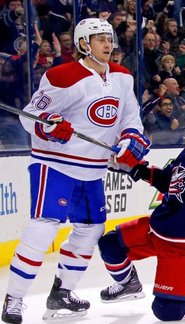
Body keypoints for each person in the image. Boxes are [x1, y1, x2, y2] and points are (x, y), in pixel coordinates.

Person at [1, 18, 150, 324]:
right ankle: (14, 298)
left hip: (93, 170)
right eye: (100, 39)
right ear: (84, 44)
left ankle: (62, 293)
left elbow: (131, 118)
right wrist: (51, 124)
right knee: (43, 229)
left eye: (109, 39)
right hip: (55, 165)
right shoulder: (63, 76)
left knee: (91, 230)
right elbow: (31, 116)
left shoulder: (122, 78)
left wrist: (131, 138)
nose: (108, 45)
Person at [97, 81, 185, 321]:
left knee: (167, 310)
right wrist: (135, 168)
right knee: (110, 245)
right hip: (159, 229)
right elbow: (168, 181)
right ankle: (129, 285)